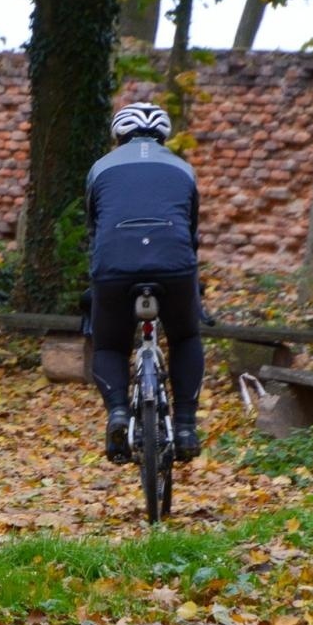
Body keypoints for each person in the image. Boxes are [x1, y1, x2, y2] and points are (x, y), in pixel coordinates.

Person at [85, 101, 205, 463]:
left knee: (109, 344)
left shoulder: (100, 169)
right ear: (163, 136)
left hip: (115, 264)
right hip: (174, 264)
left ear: (119, 134)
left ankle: (118, 412)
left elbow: (94, 229)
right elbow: (192, 232)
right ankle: (185, 427)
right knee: (185, 337)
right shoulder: (183, 169)